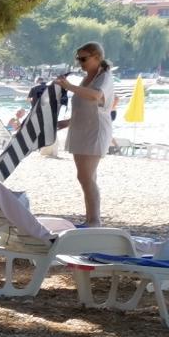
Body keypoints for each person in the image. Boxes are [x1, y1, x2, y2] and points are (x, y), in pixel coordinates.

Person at [55, 41, 114, 225]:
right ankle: (91, 218)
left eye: (84, 59)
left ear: (97, 57)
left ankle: (94, 220)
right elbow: (84, 107)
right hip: (81, 130)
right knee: (87, 177)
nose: (80, 63)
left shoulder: (104, 77)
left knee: (86, 177)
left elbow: (95, 96)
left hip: (94, 132)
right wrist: (65, 123)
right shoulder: (88, 77)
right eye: (78, 59)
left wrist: (69, 86)